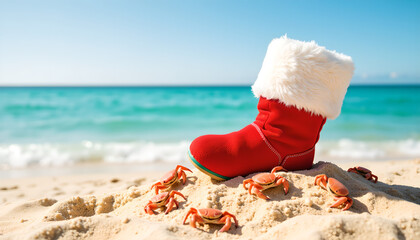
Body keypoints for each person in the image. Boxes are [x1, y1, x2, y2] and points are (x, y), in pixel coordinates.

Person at [188, 35, 354, 180]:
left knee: (202, 148)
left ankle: (275, 149)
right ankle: (299, 156)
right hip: (301, 157)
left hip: (273, 150)